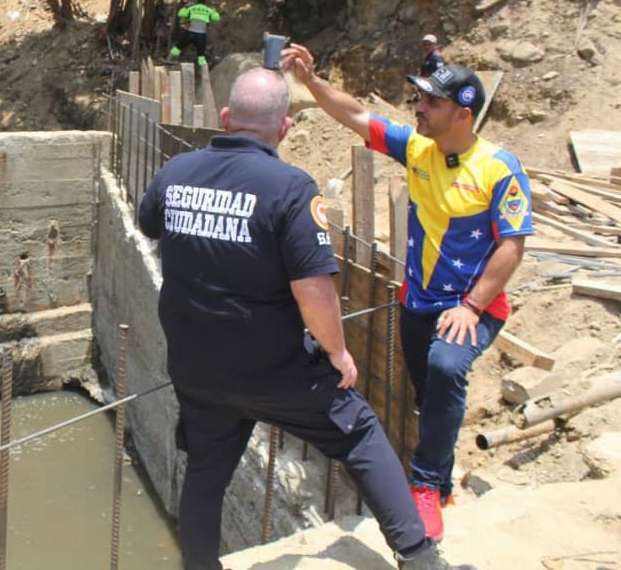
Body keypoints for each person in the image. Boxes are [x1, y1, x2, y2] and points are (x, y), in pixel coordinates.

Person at [138, 67, 470, 570]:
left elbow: (150, 224)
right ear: (284, 130)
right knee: (357, 430)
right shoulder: (291, 188)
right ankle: (420, 557)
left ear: (226, 119)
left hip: (196, 366)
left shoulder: (176, 173)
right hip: (276, 368)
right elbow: (314, 289)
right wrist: (337, 353)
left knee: (206, 472)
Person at [282, 44, 533, 543]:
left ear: (463, 114)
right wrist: (312, 83)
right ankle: (442, 482)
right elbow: (354, 114)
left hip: (473, 307)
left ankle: (424, 485)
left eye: (430, 103)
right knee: (429, 390)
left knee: (446, 368)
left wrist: (472, 305)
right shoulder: (417, 149)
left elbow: (513, 245)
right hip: (418, 303)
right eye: (418, 100)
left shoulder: (498, 168)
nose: (418, 108)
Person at [169, 0, 221, 66]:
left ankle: (171, 57)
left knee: (178, 47)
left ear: (197, 1)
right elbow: (217, 18)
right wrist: (214, 10)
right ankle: (201, 63)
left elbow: (181, 14)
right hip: (201, 35)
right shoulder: (209, 10)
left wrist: (185, 7)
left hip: (189, 33)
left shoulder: (192, 8)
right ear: (206, 2)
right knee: (201, 54)